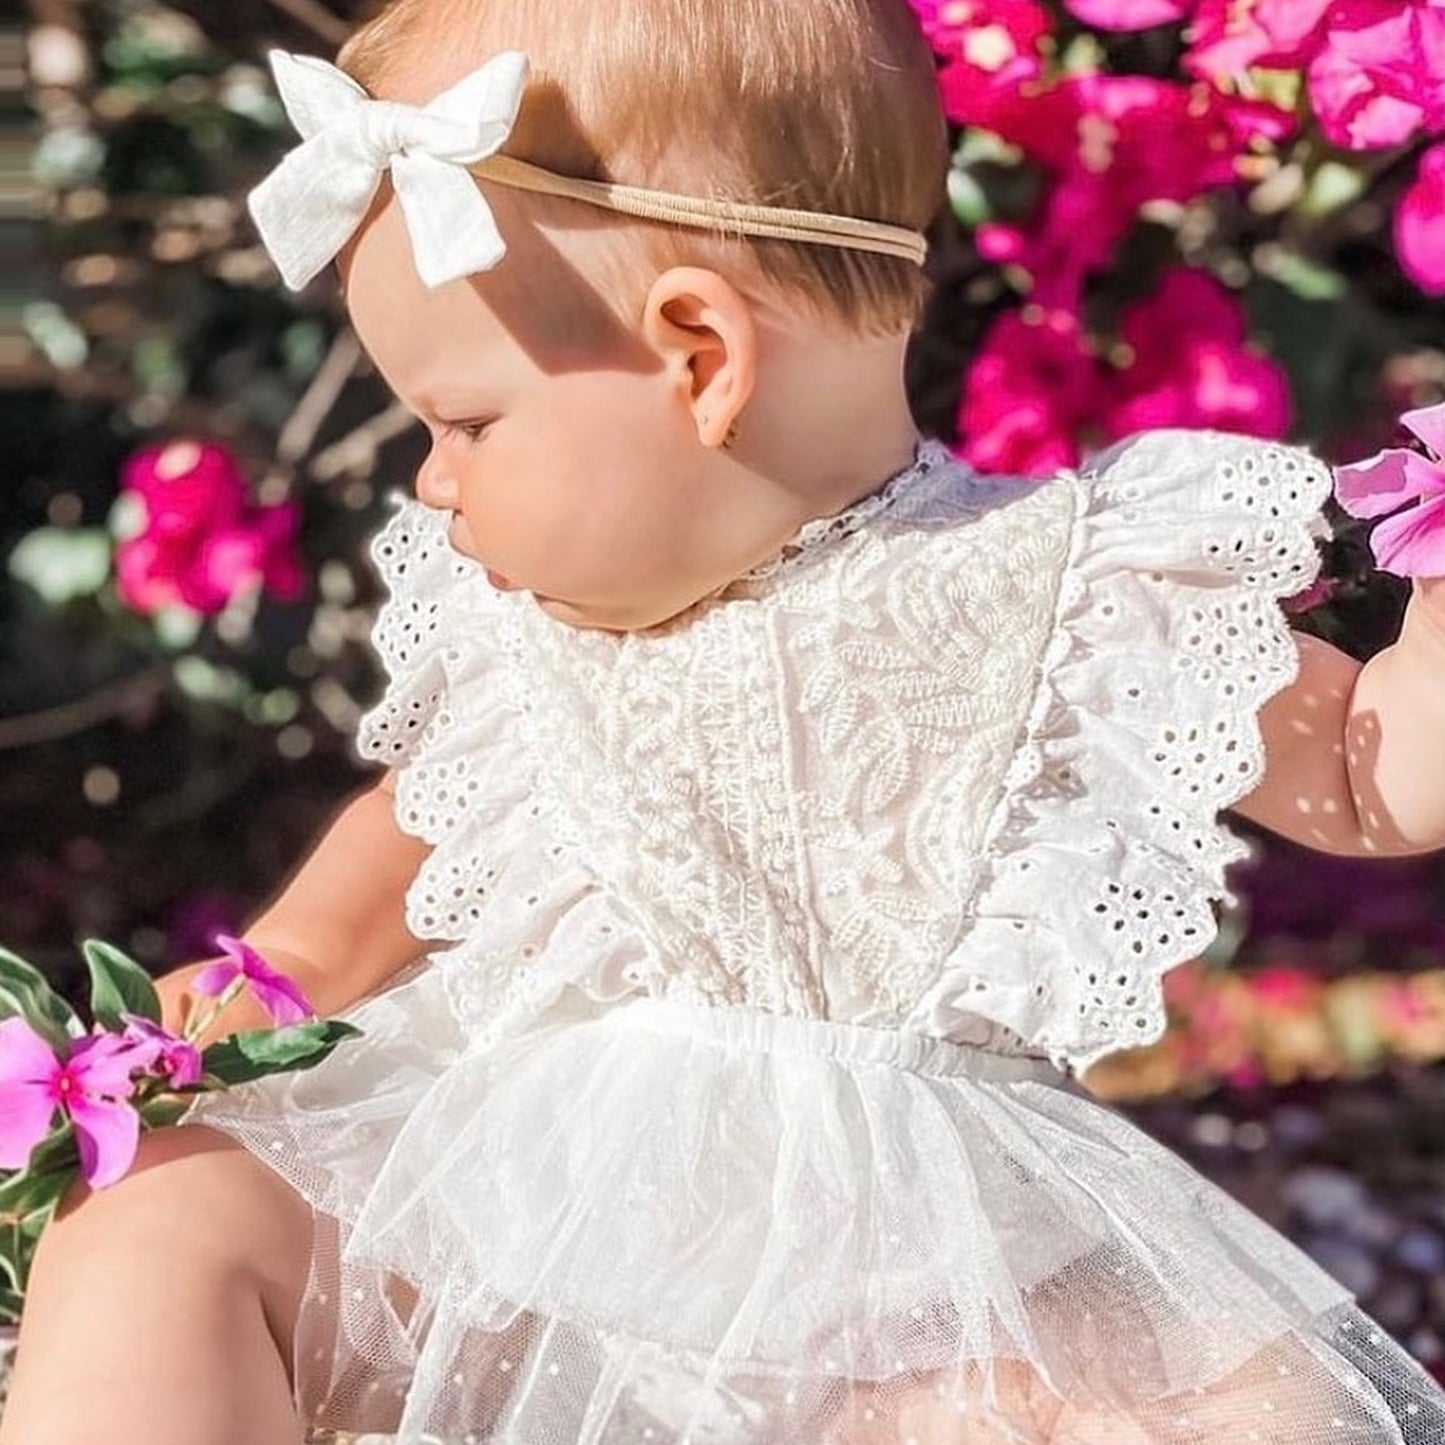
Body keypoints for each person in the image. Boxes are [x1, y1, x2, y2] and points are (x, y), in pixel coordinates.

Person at [7, 0, 1445, 1441]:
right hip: (540, 1242)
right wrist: (288, 967)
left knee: (1255, 1406)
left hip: (921, 1308)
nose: (434, 482)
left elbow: (1371, 779)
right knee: (160, 1219)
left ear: (700, 354)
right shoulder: (531, 629)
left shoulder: (1066, 588)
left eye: (464, 422)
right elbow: (420, 818)